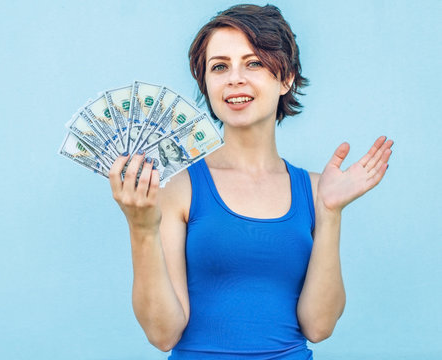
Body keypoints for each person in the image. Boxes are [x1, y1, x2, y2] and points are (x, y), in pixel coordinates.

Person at [109, 4, 393, 359]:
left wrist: (331, 212)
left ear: (286, 77)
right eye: (219, 67)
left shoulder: (321, 190)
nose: (234, 79)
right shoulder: (178, 188)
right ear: (206, 82)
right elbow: (162, 334)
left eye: (254, 63)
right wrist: (141, 229)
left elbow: (319, 327)